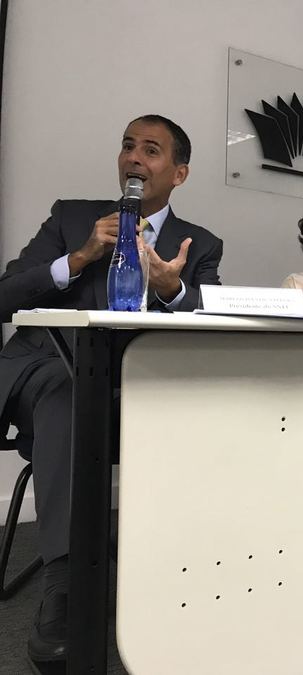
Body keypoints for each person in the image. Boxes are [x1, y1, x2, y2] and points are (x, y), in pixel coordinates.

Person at [0, 114, 223, 663]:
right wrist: (77, 259)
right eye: (128, 146)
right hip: (48, 371)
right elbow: (7, 295)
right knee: (71, 396)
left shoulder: (201, 245)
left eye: (151, 150)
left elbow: (213, 313)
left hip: (136, 386)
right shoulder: (71, 217)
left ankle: (189, 569)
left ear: (179, 173)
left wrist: (175, 289)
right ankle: (65, 584)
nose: (133, 158)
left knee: (215, 405)